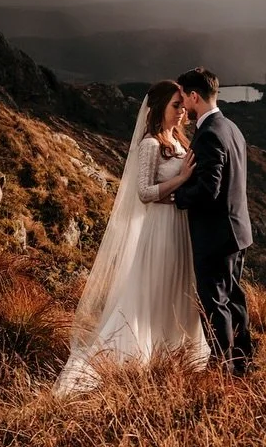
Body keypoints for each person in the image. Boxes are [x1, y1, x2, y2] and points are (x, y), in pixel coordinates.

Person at [53, 80, 209, 394]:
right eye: (175, 106)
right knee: (156, 288)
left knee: (178, 287)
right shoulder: (151, 144)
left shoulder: (178, 141)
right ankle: (143, 353)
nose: (181, 113)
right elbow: (144, 192)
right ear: (158, 108)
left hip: (180, 227)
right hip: (161, 228)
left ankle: (177, 352)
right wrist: (180, 180)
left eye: (182, 106)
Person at [173, 67, 255, 375]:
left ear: (195, 96)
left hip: (216, 234)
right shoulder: (231, 127)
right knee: (234, 297)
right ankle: (242, 362)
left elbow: (209, 190)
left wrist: (178, 196)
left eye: (183, 99)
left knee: (215, 302)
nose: (183, 106)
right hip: (237, 230)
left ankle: (223, 367)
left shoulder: (207, 134)